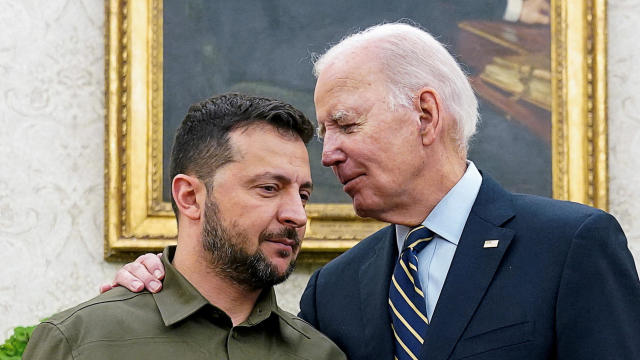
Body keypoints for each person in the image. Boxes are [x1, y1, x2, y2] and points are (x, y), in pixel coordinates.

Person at [104, 23, 640, 360]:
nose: (328, 152)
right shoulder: (333, 290)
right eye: (325, 133)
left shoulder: (571, 246)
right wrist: (161, 281)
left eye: (346, 125)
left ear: (425, 115)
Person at [23, 94, 346, 360]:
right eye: (268, 188)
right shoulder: (82, 340)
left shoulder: (319, 353)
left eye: (303, 195)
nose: (298, 216)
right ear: (190, 197)